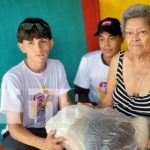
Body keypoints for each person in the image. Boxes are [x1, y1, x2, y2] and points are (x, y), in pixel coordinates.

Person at [0, 17, 71, 150]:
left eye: (42, 41)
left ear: (50, 43)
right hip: (21, 133)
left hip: (50, 128)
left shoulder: (57, 66)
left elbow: (66, 106)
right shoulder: (13, 77)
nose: (38, 48)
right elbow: (15, 128)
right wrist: (43, 144)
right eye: (30, 43)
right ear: (22, 47)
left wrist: (79, 113)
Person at [99, 4, 150, 148]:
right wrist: (86, 113)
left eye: (142, 32)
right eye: (129, 33)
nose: (135, 39)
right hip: (119, 133)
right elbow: (108, 101)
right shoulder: (118, 60)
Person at [74, 17, 123, 106]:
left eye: (111, 38)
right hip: (95, 108)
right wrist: (88, 107)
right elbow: (80, 91)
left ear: (122, 38)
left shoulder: (131, 61)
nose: (106, 44)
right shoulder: (88, 60)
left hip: (122, 111)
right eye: (102, 39)